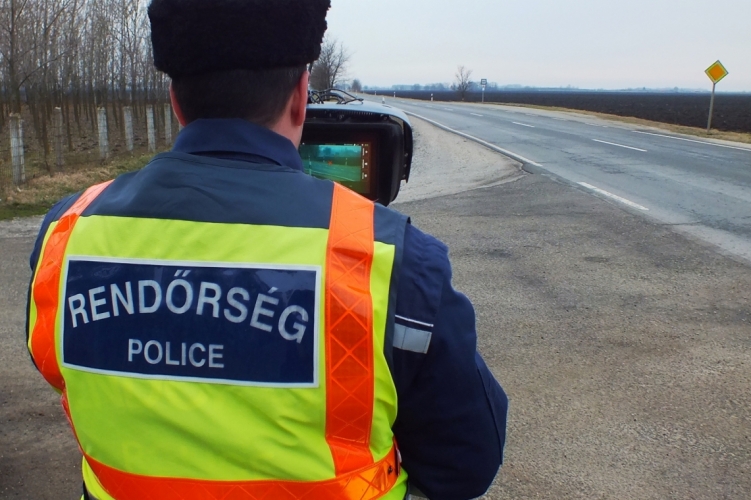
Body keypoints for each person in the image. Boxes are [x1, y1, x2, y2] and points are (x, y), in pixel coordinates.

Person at [26, 1, 508, 499]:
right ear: (300, 98)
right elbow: (467, 463)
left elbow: (57, 370)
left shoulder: (64, 233)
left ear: (175, 102)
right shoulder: (390, 258)